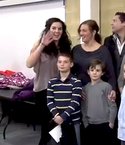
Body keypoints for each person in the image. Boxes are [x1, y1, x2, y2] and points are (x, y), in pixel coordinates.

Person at [25, 17, 72, 145]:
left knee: (58, 125)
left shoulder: (65, 47)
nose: (56, 31)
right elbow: (29, 64)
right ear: (48, 29)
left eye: (60, 29)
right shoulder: (40, 44)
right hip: (43, 91)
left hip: (60, 91)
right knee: (47, 126)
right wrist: (42, 45)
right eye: (54, 28)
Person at [72, 19, 116, 99]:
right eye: (80, 31)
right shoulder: (76, 50)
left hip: (98, 93)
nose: (81, 33)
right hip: (78, 92)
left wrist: (113, 89)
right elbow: (71, 72)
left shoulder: (103, 51)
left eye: (84, 31)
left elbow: (110, 73)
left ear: (93, 32)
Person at [46, 53, 82, 145]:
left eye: (65, 62)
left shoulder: (76, 81)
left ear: (71, 64)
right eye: (60, 62)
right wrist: (57, 116)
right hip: (57, 119)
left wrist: (63, 117)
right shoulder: (52, 82)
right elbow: (49, 100)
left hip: (73, 120)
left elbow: (75, 102)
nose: (62, 64)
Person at [81, 59, 117, 145]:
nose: (94, 73)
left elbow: (112, 106)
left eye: (97, 70)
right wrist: (86, 123)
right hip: (90, 125)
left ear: (102, 72)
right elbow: (83, 107)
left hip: (105, 124)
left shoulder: (106, 86)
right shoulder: (85, 89)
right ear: (88, 72)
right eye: (92, 70)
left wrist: (111, 122)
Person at [104, 12, 125, 78]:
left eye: (115, 21)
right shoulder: (108, 41)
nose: (111, 23)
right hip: (112, 81)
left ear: (124, 23)